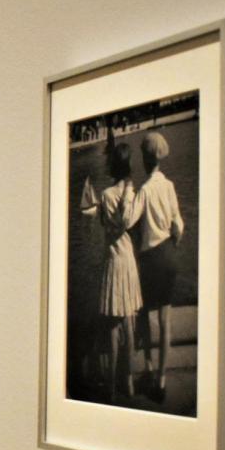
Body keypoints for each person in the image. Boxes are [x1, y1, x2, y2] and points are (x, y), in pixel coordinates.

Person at [135, 132, 184, 399]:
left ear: (144, 158)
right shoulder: (169, 186)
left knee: (143, 313)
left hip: (149, 258)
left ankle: (149, 367)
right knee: (166, 320)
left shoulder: (144, 190)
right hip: (168, 254)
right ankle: (162, 383)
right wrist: (174, 243)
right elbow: (179, 226)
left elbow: (132, 222)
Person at [98, 143, 143, 399]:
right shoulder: (131, 192)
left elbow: (106, 224)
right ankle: (129, 383)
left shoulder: (105, 195)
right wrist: (129, 191)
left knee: (113, 327)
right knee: (128, 323)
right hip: (128, 261)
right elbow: (130, 220)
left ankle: (112, 385)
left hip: (113, 261)